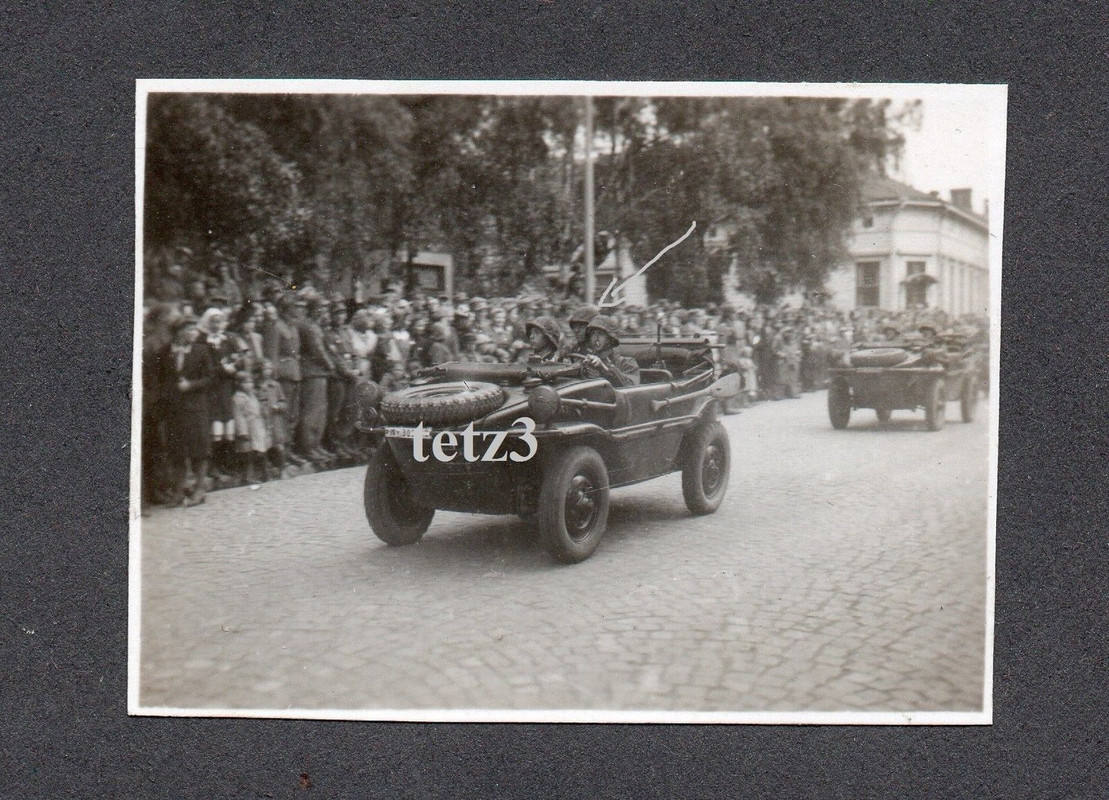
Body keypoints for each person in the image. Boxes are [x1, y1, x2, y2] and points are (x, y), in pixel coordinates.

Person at [160, 315, 212, 506]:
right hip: (174, 409)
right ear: (178, 333)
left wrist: (190, 385)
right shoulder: (166, 352)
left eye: (194, 329)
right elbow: (161, 379)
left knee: (199, 449)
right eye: (189, 330)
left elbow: (209, 378)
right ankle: (179, 491)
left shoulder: (201, 351)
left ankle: (199, 490)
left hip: (196, 408)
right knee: (177, 451)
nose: (193, 333)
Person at [263, 294, 305, 466]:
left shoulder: (292, 327)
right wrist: (273, 377)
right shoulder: (276, 327)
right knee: (283, 414)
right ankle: (281, 455)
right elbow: (272, 354)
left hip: (295, 373)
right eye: (295, 307)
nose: (298, 310)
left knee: (293, 414)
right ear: (286, 309)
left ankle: (289, 450)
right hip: (283, 375)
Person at [297, 293, 336, 466]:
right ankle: (308, 446)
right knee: (312, 411)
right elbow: (317, 350)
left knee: (320, 411)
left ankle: (316, 444)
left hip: (319, 372)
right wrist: (331, 366)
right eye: (321, 307)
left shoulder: (314, 326)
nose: (323, 311)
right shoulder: (308, 327)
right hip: (312, 372)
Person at [232, 371, 270, 485]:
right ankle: (248, 477)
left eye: (250, 382)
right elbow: (238, 416)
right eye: (246, 382)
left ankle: (264, 474)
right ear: (239, 384)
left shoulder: (253, 395)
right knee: (249, 454)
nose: (249, 385)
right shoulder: (237, 398)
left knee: (261, 450)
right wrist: (243, 432)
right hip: (248, 428)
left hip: (257, 426)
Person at [580, 315, 640, 387]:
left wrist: (605, 369)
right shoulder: (587, 361)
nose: (596, 338)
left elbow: (630, 387)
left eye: (601, 334)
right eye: (593, 334)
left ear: (610, 338)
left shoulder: (627, 363)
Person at [256, 359, 289, 479]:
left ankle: (282, 469)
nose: (267, 371)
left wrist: (278, 406)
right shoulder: (257, 386)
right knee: (263, 447)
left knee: (279, 445)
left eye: (269, 368)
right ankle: (266, 472)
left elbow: (283, 402)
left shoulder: (276, 386)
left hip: (275, 420)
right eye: (265, 369)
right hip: (261, 420)